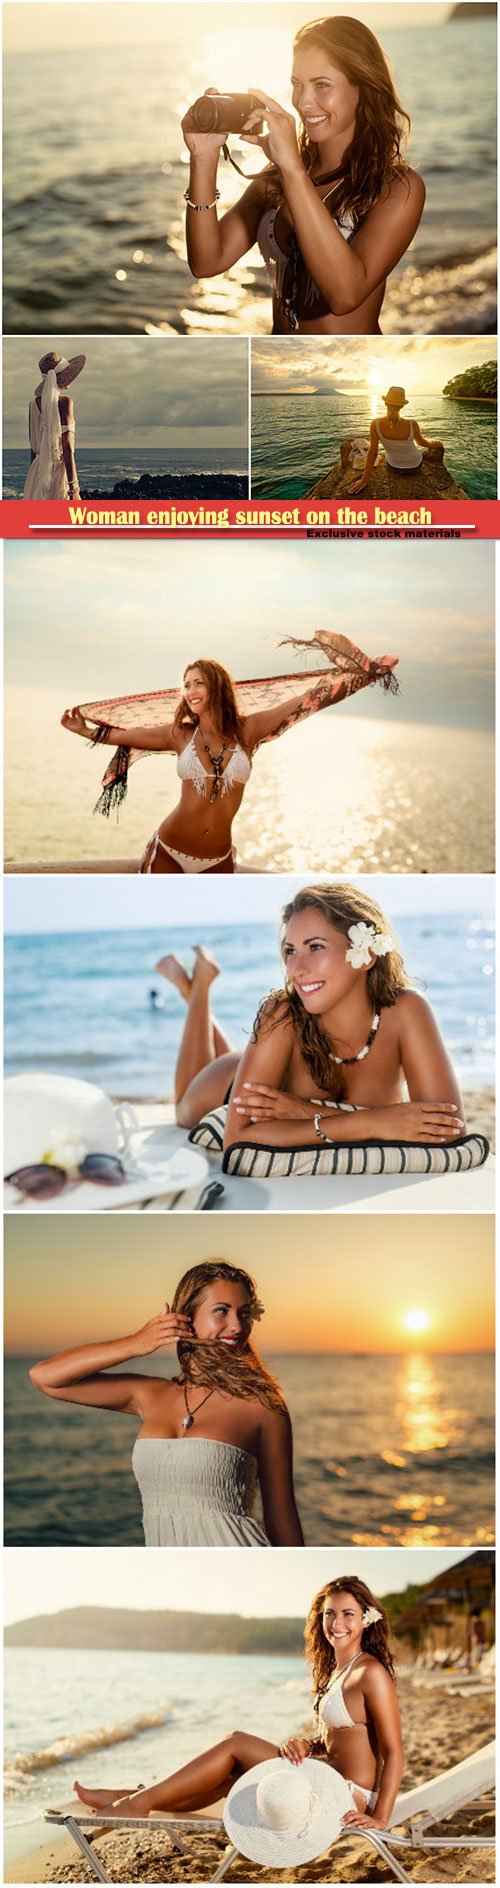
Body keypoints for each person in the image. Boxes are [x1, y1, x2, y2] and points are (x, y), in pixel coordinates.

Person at [72, 1576, 404, 1827]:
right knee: (233, 1779)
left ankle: (135, 1803)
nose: (337, 1624)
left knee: (236, 1744)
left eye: (348, 1614)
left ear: (366, 1618)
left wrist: (381, 1817)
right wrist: (308, 1744)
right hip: (326, 1778)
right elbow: (343, 1739)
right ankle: (130, 1798)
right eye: (329, 1614)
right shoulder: (338, 1671)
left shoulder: (370, 1672)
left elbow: (393, 1751)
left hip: (346, 1797)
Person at [161, 883, 465, 1154]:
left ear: (366, 955)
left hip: (259, 1062)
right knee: (182, 1110)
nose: (297, 969)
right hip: (226, 1084)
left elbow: (449, 1128)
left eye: (315, 947)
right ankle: (199, 989)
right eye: (290, 951)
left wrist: (304, 1112)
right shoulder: (281, 1014)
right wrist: (373, 1122)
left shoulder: (407, 1011)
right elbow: (237, 1139)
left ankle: (195, 990)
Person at [60, 632, 399, 874]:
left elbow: (309, 699)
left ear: (217, 686)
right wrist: (84, 731)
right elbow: (122, 735)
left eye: (198, 682)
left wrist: (363, 674)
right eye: (187, 684)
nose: (190, 691)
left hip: (219, 860)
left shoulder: (248, 731)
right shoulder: (179, 734)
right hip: (168, 852)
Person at [29, 1261, 303, 1548]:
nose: (237, 1325)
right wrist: (137, 1343)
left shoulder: (263, 1407)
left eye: (244, 1313)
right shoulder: (150, 1395)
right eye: (222, 1311)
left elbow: (282, 1520)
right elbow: (45, 1377)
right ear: (186, 1317)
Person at [182, 16, 425, 336]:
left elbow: (345, 294)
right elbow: (206, 262)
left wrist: (293, 169)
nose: (304, 102)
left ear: (362, 87)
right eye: (297, 85)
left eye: (322, 85)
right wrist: (203, 158)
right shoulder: (275, 179)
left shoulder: (397, 187)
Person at [349, 386, 444, 494]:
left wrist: (364, 480)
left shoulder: (376, 424)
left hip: (394, 467)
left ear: (385, 403)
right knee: (419, 453)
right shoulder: (412, 424)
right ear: (402, 406)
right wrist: (434, 444)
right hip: (414, 466)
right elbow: (422, 443)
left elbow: (373, 452)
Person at [23, 351, 85, 500]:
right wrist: (73, 487)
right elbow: (67, 448)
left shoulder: (33, 405)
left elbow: (33, 447)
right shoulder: (65, 403)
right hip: (58, 473)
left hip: (37, 471)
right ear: (62, 378)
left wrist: (35, 476)